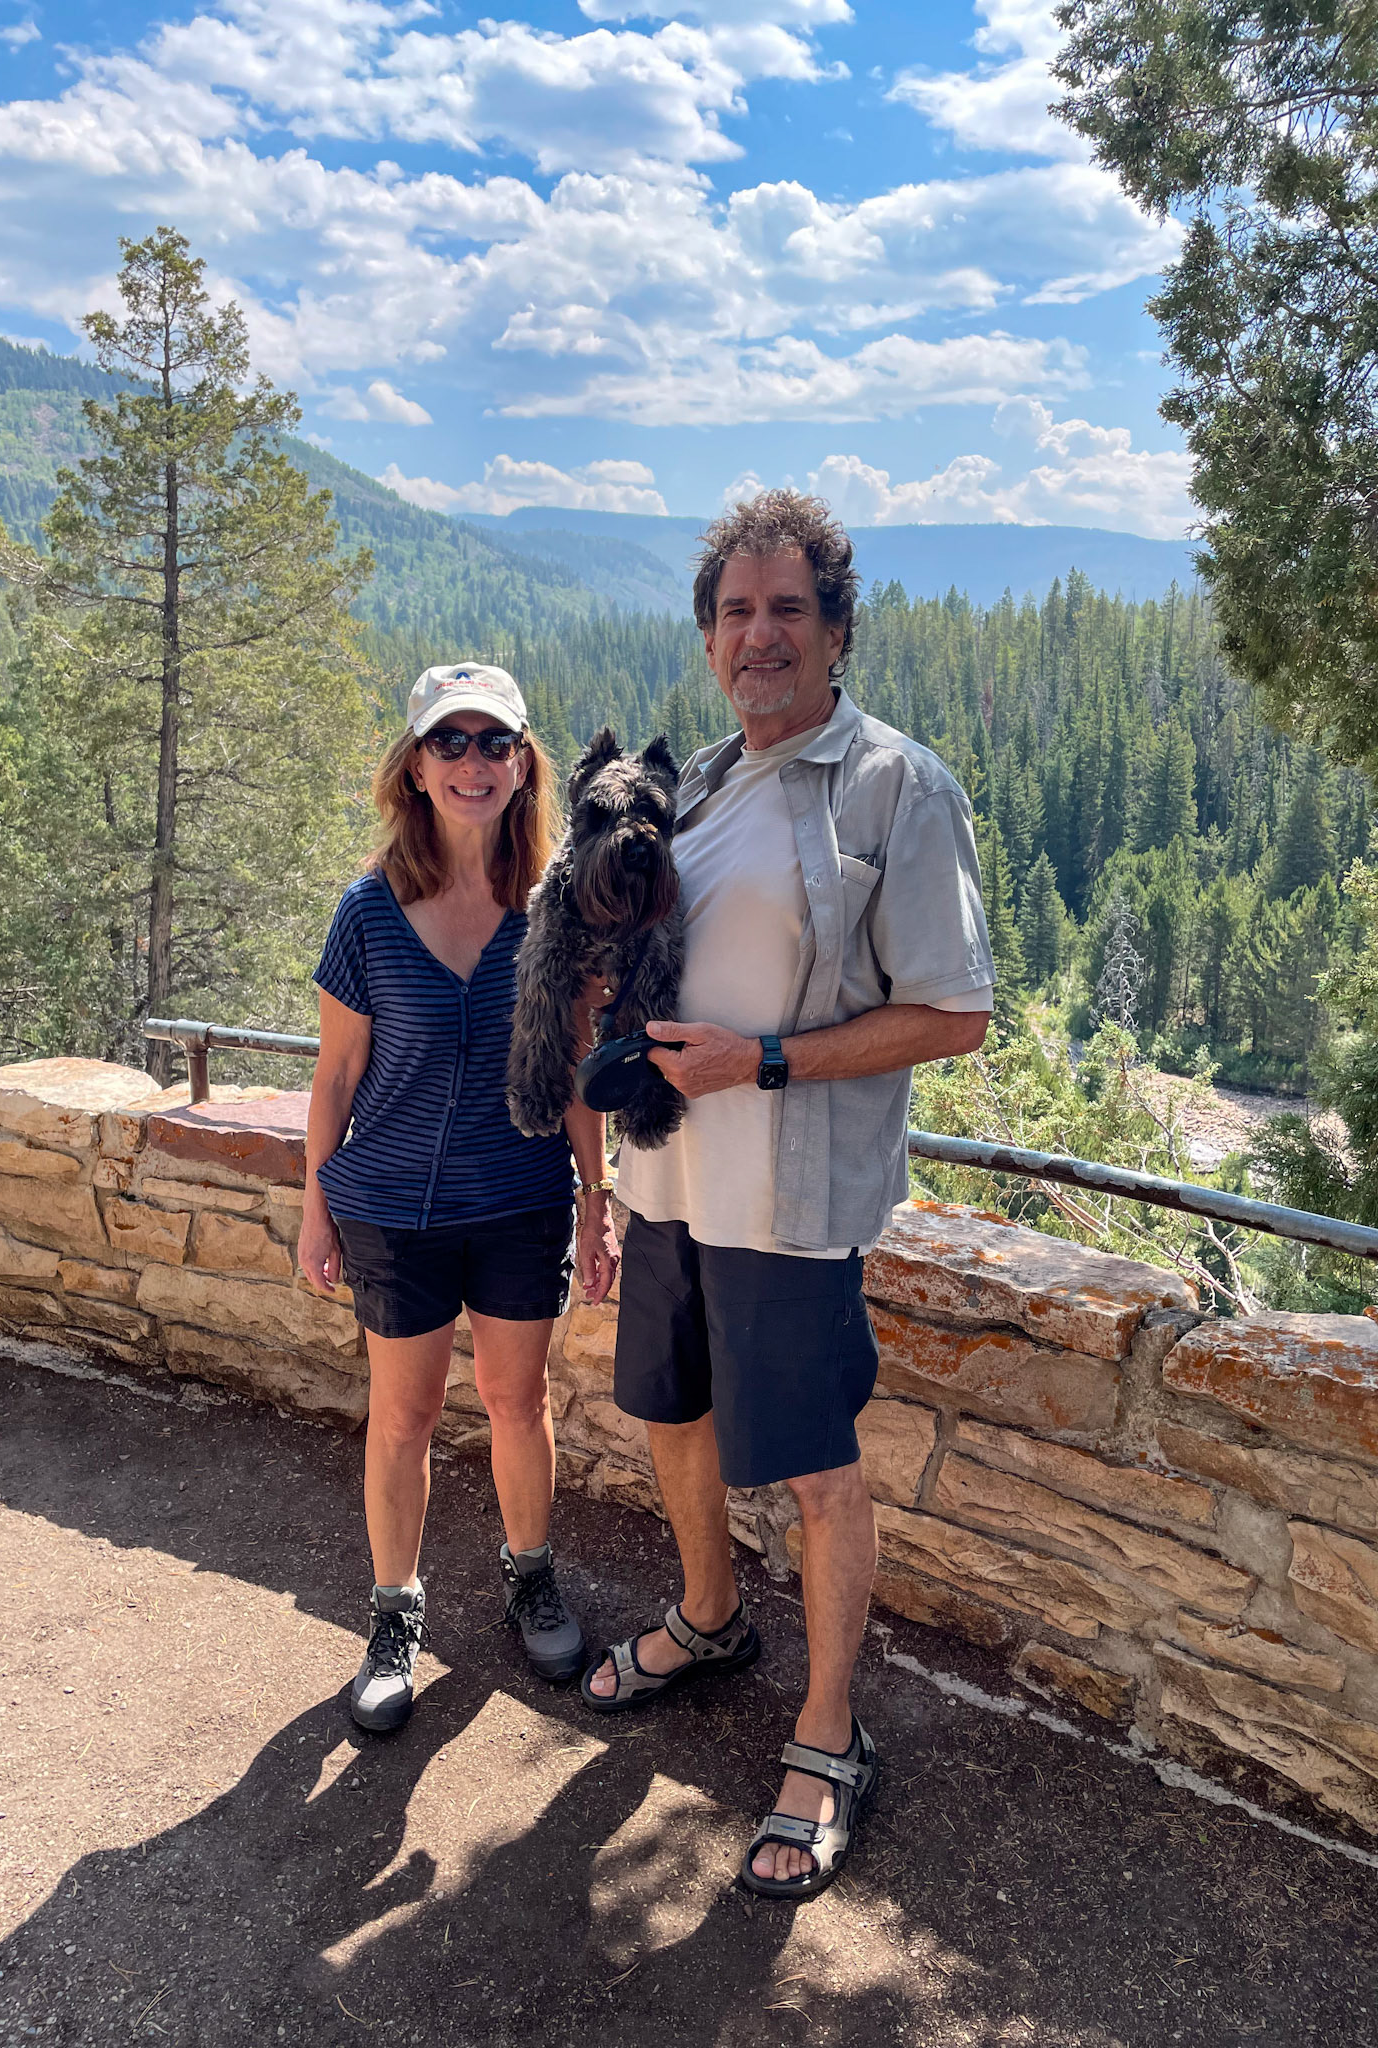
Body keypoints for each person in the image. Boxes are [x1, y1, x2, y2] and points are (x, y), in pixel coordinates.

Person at [584, 492, 994, 1901]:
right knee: (673, 1417)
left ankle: (830, 1734)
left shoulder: (894, 786)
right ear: (709, 638)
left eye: (788, 610)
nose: (761, 637)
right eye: (736, 612)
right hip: (669, 1182)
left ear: (834, 628)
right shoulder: (692, 781)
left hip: (794, 1202)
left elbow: (953, 1014)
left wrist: (764, 1060)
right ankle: (709, 1621)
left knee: (817, 1474)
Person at [299, 663, 619, 1734]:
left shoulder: (555, 908)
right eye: (452, 741)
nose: (474, 761)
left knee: (519, 1402)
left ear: (525, 761)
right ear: (417, 764)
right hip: (392, 1203)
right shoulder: (367, 912)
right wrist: (314, 1203)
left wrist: (596, 1197)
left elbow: (576, 1059)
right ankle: (396, 1614)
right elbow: (337, 1074)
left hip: (521, 1198)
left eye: (496, 741)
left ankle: (529, 1573)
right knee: (405, 1416)